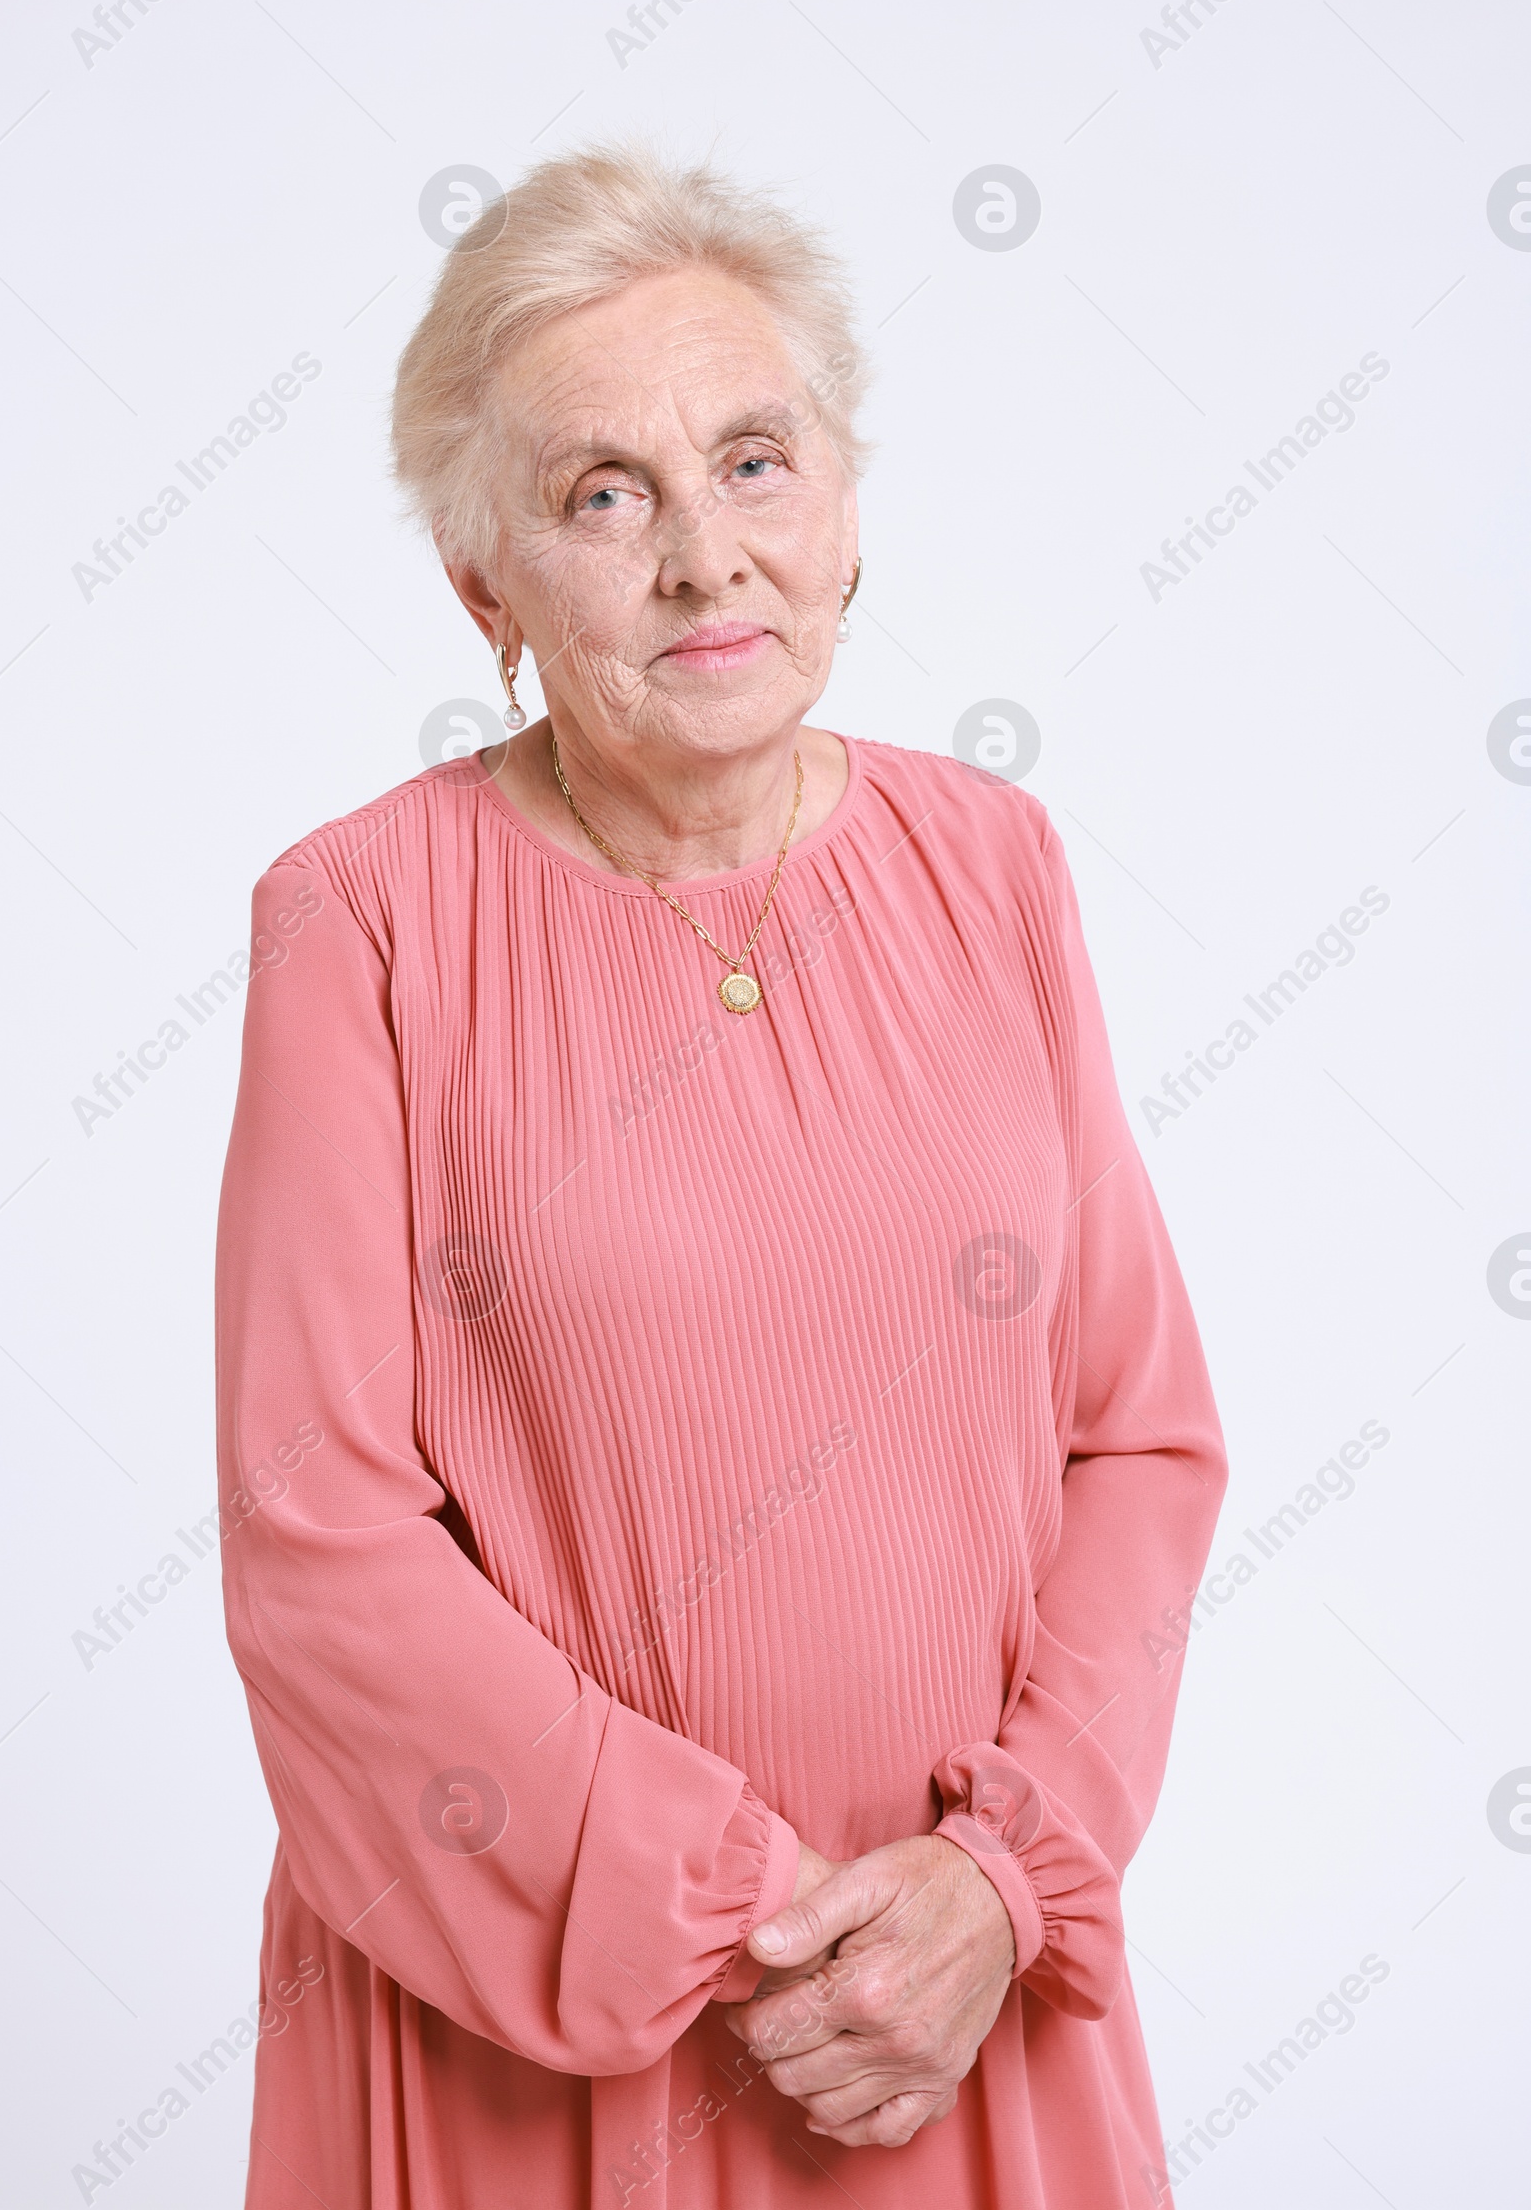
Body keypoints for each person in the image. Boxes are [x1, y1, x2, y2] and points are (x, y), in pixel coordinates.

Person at [216, 143, 1227, 2208]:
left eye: (754, 463)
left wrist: (992, 1884)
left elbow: (1136, 1444)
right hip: (547, 2015)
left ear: (846, 512)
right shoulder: (363, 925)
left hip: (964, 1994)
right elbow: (316, 1534)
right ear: (484, 589)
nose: (703, 559)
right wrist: (740, 1915)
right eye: (604, 496)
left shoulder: (992, 866)